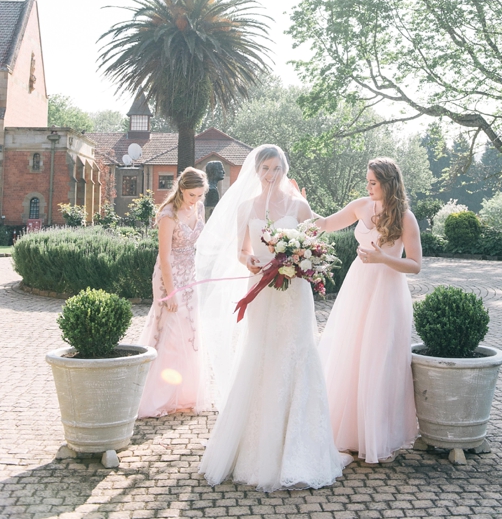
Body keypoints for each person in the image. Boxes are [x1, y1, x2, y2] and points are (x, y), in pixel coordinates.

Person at [195, 144, 351, 491]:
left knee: (297, 354)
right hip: (262, 290)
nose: (270, 175)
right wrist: (247, 260)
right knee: (262, 354)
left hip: (295, 293)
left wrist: (301, 260)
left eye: (276, 168)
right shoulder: (247, 207)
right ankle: (255, 449)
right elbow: (241, 250)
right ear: (256, 171)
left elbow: (316, 248)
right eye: (265, 168)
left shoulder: (299, 205)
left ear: (284, 169)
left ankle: (301, 448)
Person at [315, 157, 421, 464]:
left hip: (387, 292)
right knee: (351, 354)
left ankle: (378, 436)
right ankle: (349, 433)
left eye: (373, 182)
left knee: (379, 360)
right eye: (367, 182)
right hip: (357, 288)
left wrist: (383, 259)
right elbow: (324, 224)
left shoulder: (405, 218)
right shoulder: (360, 206)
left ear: (388, 183)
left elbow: (415, 265)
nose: (368, 187)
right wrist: (301, 204)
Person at [138, 167, 207, 418]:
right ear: (181, 189)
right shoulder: (168, 215)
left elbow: (201, 241)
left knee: (190, 330)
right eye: (192, 195)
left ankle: (185, 393)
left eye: (200, 195)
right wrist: (172, 292)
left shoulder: (198, 208)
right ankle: (158, 395)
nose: (196, 200)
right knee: (170, 330)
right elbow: (165, 259)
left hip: (191, 274)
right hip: (170, 277)